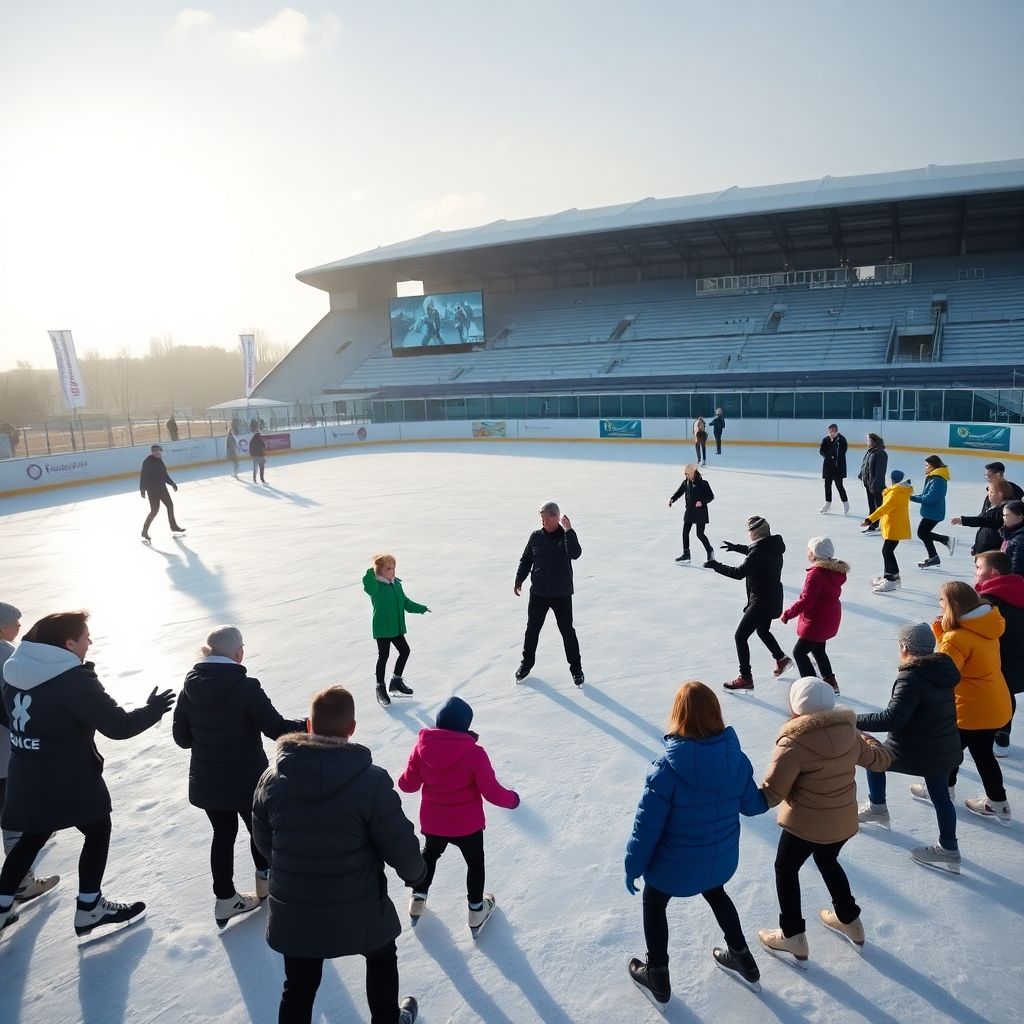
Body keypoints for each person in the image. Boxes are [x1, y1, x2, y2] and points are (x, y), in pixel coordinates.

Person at [252, 686, 423, 1024]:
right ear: (352, 729)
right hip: (359, 903)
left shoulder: (272, 779)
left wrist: (292, 868)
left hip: (295, 907)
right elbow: (399, 842)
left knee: (299, 984)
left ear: (308, 726)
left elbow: (262, 840)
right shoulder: (370, 782)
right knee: (381, 956)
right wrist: (416, 874)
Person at [0, 611, 174, 937]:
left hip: (26, 772)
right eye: (85, 636)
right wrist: (152, 710)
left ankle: (1, 904)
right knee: (97, 830)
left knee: (33, 836)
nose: (90, 641)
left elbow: (11, 716)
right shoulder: (72, 680)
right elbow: (118, 726)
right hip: (69, 777)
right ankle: (90, 907)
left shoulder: (15, 670)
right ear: (68, 644)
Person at [625, 682, 768, 1003]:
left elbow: (646, 828)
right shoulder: (737, 760)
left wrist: (632, 866)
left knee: (654, 902)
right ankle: (744, 958)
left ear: (679, 716)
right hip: (720, 861)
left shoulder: (665, 771)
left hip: (674, 870)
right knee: (716, 892)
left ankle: (658, 975)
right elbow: (753, 805)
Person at [172, 625, 305, 927]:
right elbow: (276, 728)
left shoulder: (189, 687)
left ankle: (224, 900)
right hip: (247, 778)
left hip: (208, 779)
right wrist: (311, 723)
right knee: (260, 829)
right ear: (236, 653)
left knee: (223, 834)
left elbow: (181, 738)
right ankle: (266, 881)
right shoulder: (246, 686)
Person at [756, 677, 892, 964]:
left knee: (786, 868)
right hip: (842, 821)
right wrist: (864, 735)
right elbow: (880, 761)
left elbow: (771, 795)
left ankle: (792, 935)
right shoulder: (849, 733)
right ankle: (850, 920)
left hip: (804, 825)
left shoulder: (793, 742)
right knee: (827, 859)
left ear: (796, 708)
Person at [398, 696, 519, 934]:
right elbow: (492, 792)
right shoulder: (474, 753)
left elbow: (407, 785)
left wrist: (408, 773)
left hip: (434, 823)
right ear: (466, 726)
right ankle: (476, 910)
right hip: (468, 826)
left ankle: (418, 898)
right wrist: (512, 800)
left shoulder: (421, 749)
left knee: (430, 855)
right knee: (475, 863)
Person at [856, 623, 963, 873]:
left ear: (904, 647)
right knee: (941, 796)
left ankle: (877, 807)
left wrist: (853, 719)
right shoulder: (941, 669)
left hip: (917, 747)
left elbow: (892, 719)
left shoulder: (912, 677)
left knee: (874, 757)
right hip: (943, 745)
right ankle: (949, 847)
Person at [931, 581, 1012, 825]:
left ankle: (944, 789)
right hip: (995, 703)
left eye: (942, 601)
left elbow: (945, 673)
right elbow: (968, 656)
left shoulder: (956, 637)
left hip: (971, 709)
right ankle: (999, 804)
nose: (940, 605)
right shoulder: (986, 626)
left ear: (953, 606)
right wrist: (942, 634)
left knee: (949, 752)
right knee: (982, 753)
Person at [0, 602, 52, 903]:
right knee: (11, 811)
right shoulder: (6, 653)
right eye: (14, 621)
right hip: (5, 748)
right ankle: (20, 882)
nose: (19, 625)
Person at [705, 515, 790, 690]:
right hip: (773, 598)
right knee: (762, 630)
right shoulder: (773, 546)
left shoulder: (759, 552)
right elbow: (756, 553)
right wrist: (736, 548)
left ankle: (746, 677)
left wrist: (716, 565)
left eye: (749, 531)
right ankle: (781, 659)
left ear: (755, 533)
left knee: (740, 636)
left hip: (761, 601)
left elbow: (739, 572)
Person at [514, 501, 584, 687]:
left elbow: (575, 553)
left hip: (561, 594)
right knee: (532, 630)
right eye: (541, 518)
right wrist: (519, 578)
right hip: (539, 593)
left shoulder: (565, 536)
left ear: (554, 517)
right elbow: (526, 559)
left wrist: (569, 530)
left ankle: (576, 669)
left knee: (567, 632)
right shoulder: (535, 537)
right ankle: (526, 663)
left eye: (545, 518)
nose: (542, 521)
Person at [780, 537, 848, 693]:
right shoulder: (834, 571)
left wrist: (788, 614)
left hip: (816, 621)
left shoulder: (816, 574)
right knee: (818, 649)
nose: (807, 552)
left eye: (809, 550)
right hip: (830, 617)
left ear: (815, 554)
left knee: (799, 652)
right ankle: (831, 683)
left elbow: (806, 601)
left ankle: (812, 688)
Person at [974, 550, 1024, 756]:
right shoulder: (1019, 588)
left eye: (979, 568)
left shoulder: (988, 601)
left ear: (993, 572)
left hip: (997, 659)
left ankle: (985, 733)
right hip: (1018, 660)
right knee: (1007, 693)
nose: (976, 573)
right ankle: (1002, 734)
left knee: (989, 695)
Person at [363, 554, 429, 708]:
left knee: (405, 651)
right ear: (378, 571)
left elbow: (405, 602)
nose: (392, 571)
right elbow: (367, 583)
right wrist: (372, 570)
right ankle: (380, 687)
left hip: (397, 626)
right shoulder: (376, 587)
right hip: (383, 628)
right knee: (383, 656)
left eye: (393, 567)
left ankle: (396, 681)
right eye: (388, 568)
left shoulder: (397, 584)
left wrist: (421, 608)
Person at [861, 469, 912, 593]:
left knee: (887, 551)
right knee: (887, 550)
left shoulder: (897, 492)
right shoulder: (897, 490)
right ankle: (889, 577)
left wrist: (869, 520)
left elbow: (885, 508)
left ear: (893, 479)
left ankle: (893, 579)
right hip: (893, 525)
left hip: (895, 526)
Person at [910, 455, 954, 568]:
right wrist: (912, 496)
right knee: (923, 533)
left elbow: (929, 498)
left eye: (927, 465)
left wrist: (912, 498)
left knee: (922, 533)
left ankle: (943, 543)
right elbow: (925, 494)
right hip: (932, 511)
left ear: (933, 466)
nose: (925, 468)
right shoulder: (933, 477)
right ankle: (939, 549)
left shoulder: (938, 479)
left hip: (934, 512)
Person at [951, 479, 1013, 555]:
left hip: (993, 553)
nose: (988, 494)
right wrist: (976, 547)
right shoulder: (993, 508)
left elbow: (984, 521)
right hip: (985, 551)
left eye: (991, 492)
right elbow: (983, 526)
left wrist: (963, 520)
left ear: (1000, 493)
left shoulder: (1004, 510)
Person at [668, 464, 714, 564]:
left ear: (693, 473)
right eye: (685, 474)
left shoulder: (704, 484)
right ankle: (686, 554)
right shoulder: (686, 483)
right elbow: (679, 492)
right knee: (685, 532)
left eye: (687, 474)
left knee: (700, 534)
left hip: (701, 512)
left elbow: (711, 496)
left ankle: (710, 551)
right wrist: (672, 499)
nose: (686, 475)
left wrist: (702, 502)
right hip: (689, 511)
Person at [140, 444, 184, 542]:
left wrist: (172, 483)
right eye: (158, 452)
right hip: (152, 490)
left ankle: (174, 526)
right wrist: (142, 490)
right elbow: (143, 476)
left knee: (170, 505)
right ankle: (144, 531)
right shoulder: (147, 462)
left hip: (162, 489)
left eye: (160, 452)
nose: (160, 454)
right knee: (154, 511)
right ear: (153, 452)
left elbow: (164, 475)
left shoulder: (160, 461)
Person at [857, 433, 888, 531]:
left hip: (876, 485)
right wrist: (862, 474)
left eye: (868, 440)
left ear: (874, 441)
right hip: (869, 484)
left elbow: (880, 471)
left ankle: (881, 525)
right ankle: (874, 524)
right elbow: (866, 465)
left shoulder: (880, 453)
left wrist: (875, 485)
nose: (867, 442)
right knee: (871, 506)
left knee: (878, 507)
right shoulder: (871, 451)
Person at [818, 424, 848, 514]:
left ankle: (846, 504)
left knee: (839, 486)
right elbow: (821, 450)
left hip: (838, 467)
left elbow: (840, 453)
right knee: (827, 485)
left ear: (836, 431)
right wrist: (828, 456)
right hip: (827, 466)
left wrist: (832, 455)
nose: (830, 433)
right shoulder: (826, 439)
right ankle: (828, 503)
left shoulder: (841, 440)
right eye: (829, 431)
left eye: (832, 431)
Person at [998, 499, 1024, 574]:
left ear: (1020, 517)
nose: (1003, 518)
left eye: (1007, 515)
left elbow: (1017, 567)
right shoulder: (1009, 533)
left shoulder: (1020, 539)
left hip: (1015, 580)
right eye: (1003, 515)